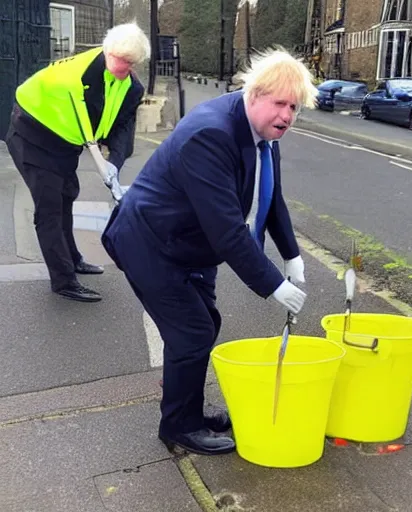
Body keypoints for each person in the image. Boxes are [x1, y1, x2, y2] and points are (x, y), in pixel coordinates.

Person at [101, 48, 318, 456]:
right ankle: (179, 426)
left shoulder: (262, 133)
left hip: (187, 243)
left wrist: (292, 255)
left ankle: (191, 411)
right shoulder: (211, 134)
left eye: (294, 107)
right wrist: (273, 285)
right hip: (150, 242)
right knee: (193, 331)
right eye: (280, 104)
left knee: (203, 325)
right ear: (254, 94)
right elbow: (226, 231)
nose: (287, 116)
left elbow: (271, 198)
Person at [6, 23, 150, 302]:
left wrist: (115, 165)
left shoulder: (132, 88)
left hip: (64, 140)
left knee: (67, 195)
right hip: (31, 134)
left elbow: (123, 128)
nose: (122, 67)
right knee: (49, 206)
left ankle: (73, 259)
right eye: (118, 59)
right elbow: (88, 133)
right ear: (106, 51)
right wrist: (101, 163)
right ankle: (63, 280)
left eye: (129, 63)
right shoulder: (76, 77)